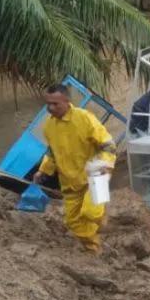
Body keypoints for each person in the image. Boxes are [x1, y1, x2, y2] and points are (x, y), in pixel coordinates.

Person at [34, 84, 117, 255]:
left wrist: (104, 167)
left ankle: (105, 222)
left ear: (67, 101)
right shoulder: (48, 127)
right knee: (73, 222)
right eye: (48, 104)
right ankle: (93, 249)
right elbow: (52, 152)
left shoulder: (85, 118)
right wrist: (43, 171)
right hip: (69, 181)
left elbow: (108, 144)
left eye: (55, 104)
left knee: (90, 212)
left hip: (95, 175)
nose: (50, 108)